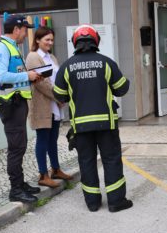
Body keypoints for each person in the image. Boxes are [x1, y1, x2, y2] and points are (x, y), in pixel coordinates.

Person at [53, 24, 132, 213]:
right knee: (111, 160)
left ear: (75, 42)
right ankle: (116, 202)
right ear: (96, 40)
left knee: (86, 162)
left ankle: (93, 203)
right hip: (106, 124)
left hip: (81, 127)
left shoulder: (66, 67)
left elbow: (59, 95)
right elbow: (122, 88)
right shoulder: (106, 62)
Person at [0, 14, 41, 203]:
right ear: (16, 29)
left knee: (20, 145)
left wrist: (31, 76)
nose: (26, 34)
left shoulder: (11, 47)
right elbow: (2, 76)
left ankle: (20, 184)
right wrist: (27, 75)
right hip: (9, 103)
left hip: (16, 101)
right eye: (25, 29)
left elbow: (15, 74)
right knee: (16, 147)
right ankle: (16, 189)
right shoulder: (2, 47)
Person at [25, 26, 73, 188]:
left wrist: (62, 95)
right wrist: (58, 96)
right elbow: (40, 82)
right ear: (37, 40)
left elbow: (57, 78)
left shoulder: (51, 57)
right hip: (42, 105)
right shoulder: (33, 57)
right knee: (43, 140)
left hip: (54, 105)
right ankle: (43, 174)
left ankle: (56, 169)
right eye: (47, 40)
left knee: (53, 139)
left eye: (52, 40)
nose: (50, 43)